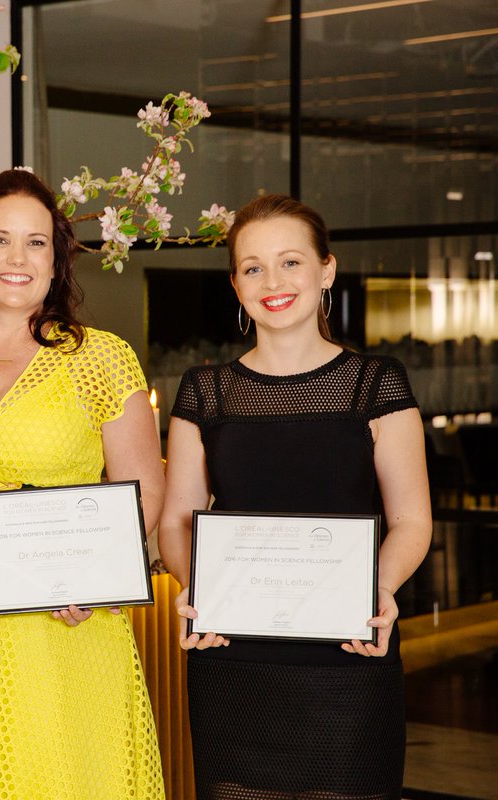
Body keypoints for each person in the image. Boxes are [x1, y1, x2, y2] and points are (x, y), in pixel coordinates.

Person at [0, 169, 166, 799]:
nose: (17, 258)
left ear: (57, 260)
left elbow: (144, 493)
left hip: (63, 619)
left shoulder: (102, 357)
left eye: (36, 242)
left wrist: (96, 582)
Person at [159, 194, 432, 800]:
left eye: (290, 262)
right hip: (232, 658)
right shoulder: (205, 392)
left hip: (350, 652)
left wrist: (377, 593)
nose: (272, 282)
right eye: (253, 267)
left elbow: (412, 521)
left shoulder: (376, 384)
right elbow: (178, 518)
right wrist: (195, 588)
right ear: (236, 284)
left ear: (326, 271)